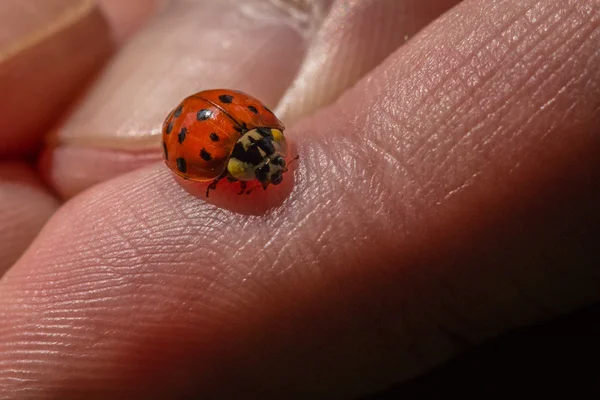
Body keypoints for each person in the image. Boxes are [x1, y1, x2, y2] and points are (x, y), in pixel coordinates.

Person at [0, 0, 599, 398]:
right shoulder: (227, 141)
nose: (269, 170)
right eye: (261, 164)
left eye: (267, 160)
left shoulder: (257, 140)